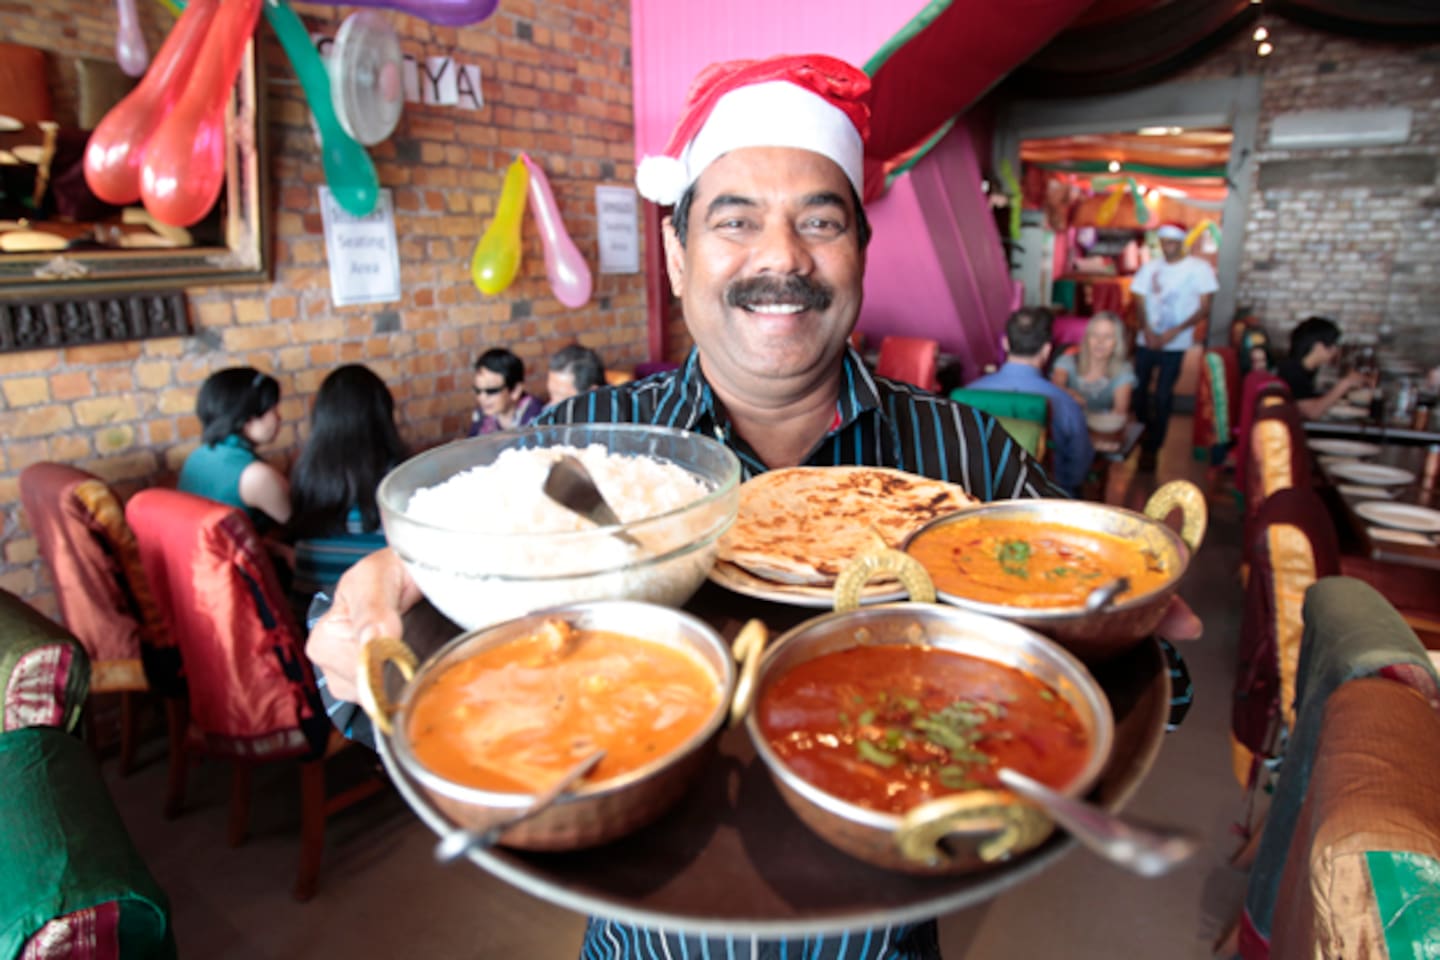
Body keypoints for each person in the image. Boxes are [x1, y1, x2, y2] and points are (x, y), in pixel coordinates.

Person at [306, 53, 1201, 960]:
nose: (782, 257)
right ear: (674, 250)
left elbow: (1149, 686)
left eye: (820, 221)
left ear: (861, 251)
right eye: (736, 221)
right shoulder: (575, 448)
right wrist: (358, 620)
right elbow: (373, 677)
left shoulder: (966, 455)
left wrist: (1125, 624)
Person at [287, 365, 407, 605]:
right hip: (381, 606)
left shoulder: (305, 472)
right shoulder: (397, 477)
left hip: (312, 611)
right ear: (383, 416)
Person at [968, 306, 1094, 496]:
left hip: (980, 499)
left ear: (1005, 343)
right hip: (1044, 505)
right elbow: (1078, 470)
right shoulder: (1064, 402)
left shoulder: (968, 394)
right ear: (1046, 350)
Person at [1130, 223, 1218, 471]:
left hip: (1176, 342)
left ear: (1182, 243)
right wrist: (1146, 328)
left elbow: (1204, 307)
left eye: (1172, 242)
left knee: (1163, 394)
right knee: (1138, 392)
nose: (1167, 246)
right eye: (1164, 241)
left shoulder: (1199, 269)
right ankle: (1143, 432)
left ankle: (1154, 446)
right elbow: (1139, 298)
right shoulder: (1151, 268)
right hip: (1146, 339)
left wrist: (1174, 332)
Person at [177, 366, 291, 531]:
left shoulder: (197, 457)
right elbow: (303, 529)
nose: (279, 417)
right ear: (248, 418)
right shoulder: (256, 476)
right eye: (272, 409)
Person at [1275, 315, 1374, 420]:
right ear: (1318, 346)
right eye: (1332, 345)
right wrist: (1345, 383)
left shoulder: (1305, 369)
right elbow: (1312, 412)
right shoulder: (1292, 371)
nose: (1335, 350)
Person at [1050, 311, 1137, 415]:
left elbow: (1119, 413)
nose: (1100, 341)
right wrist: (1067, 393)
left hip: (1103, 428)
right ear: (1087, 338)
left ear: (1117, 343)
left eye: (1108, 336)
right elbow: (1055, 388)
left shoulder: (1123, 370)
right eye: (1095, 334)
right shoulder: (1069, 360)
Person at [467, 348, 542, 436]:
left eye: (491, 390)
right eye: (478, 390)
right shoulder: (482, 414)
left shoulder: (537, 418)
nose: (482, 397)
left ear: (515, 391)